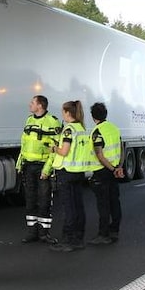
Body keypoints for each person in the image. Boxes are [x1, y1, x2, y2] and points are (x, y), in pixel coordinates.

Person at [49, 100, 96, 252]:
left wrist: (55, 148)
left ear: (68, 113)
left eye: (63, 112)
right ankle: (78, 238)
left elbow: (64, 151)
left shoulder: (68, 130)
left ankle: (68, 240)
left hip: (66, 172)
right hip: (78, 172)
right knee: (78, 205)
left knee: (68, 207)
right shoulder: (81, 128)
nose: (62, 114)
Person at [16, 95, 62, 244]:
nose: (30, 105)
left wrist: (47, 169)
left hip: (43, 167)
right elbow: (24, 144)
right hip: (28, 166)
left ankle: (44, 234)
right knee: (30, 201)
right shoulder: (29, 120)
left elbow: (54, 149)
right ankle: (32, 232)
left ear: (40, 106)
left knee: (44, 200)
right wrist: (19, 163)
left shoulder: (52, 122)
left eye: (32, 103)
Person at [87, 102, 124, 245]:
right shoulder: (114, 129)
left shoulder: (97, 132)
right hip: (114, 169)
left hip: (103, 171)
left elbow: (100, 156)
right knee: (115, 201)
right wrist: (119, 167)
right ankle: (114, 230)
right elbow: (121, 148)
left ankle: (103, 234)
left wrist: (112, 169)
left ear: (93, 116)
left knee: (103, 204)